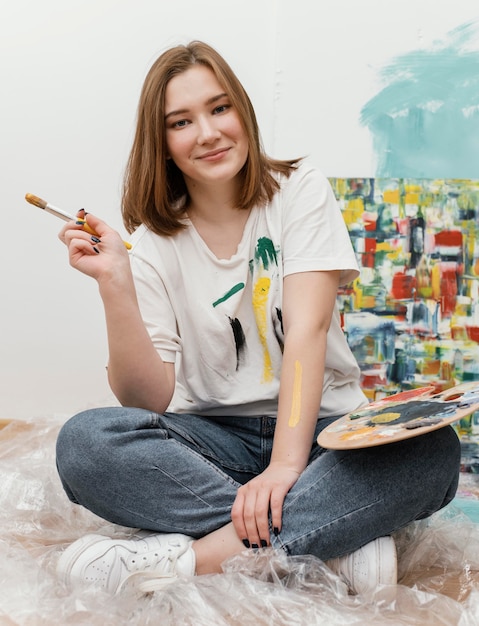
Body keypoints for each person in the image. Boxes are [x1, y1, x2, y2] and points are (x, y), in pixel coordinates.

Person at [55, 40, 460, 598]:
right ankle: (328, 538)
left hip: (323, 434)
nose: (208, 132)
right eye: (181, 122)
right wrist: (116, 285)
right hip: (215, 441)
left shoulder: (298, 191)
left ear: (242, 111)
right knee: (85, 444)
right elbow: (146, 400)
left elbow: (307, 331)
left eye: (220, 108)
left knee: (430, 451)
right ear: (163, 143)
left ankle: (197, 559)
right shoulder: (148, 243)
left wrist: (284, 468)